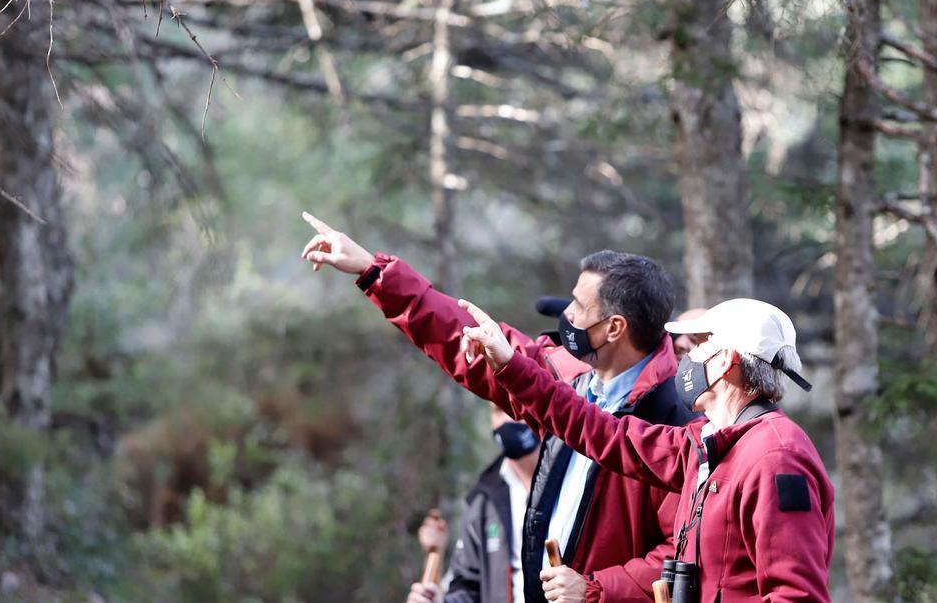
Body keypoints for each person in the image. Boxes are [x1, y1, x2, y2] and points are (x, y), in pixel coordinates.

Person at [300, 212, 695, 603]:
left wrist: (596, 588)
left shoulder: (676, 422)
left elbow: (681, 553)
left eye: (577, 306)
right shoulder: (568, 380)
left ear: (614, 328)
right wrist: (373, 272)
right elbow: (462, 339)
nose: (566, 316)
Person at [455, 297, 835, 603]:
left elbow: (797, 596)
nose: (686, 356)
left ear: (725, 361)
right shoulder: (703, 444)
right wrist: (509, 364)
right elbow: (602, 432)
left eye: (700, 345)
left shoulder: (776, 457)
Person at [408, 404, 541, 603]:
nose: (507, 419)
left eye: (515, 409)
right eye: (498, 411)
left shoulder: (573, 479)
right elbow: (468, 584)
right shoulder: (482, 500)